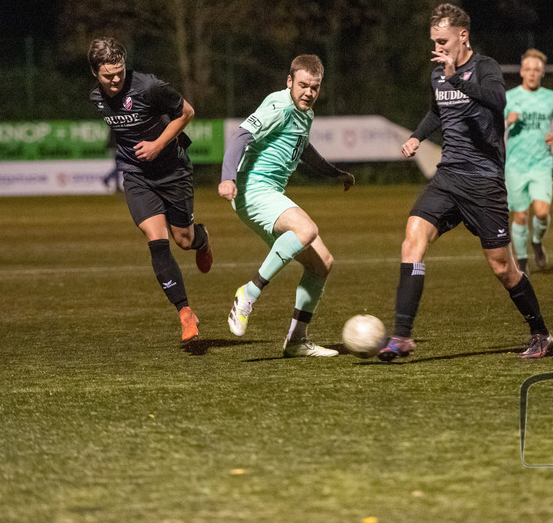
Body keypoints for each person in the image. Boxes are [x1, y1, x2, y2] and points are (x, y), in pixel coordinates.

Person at [380, 4, 553, 361]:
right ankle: (402, 336)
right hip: (448, 177)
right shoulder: (437, 74)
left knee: (502, 267)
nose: (438, 48)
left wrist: (457, 78)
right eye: (434, 41)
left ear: (463, 35)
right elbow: (436, 111)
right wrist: (417, 137)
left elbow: (499, 100)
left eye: (443, 41)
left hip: (484, 181)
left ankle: (540, 333)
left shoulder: (484, 67)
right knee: (412, 238)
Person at [219, 54, 354, 358]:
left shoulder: (305, 113)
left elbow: (302, 148)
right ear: (290, 81)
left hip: (271, 193)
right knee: (306, 229)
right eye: (303, 85)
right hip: (253, 189)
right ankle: (248, 293)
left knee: (321, 264)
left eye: (315, 87)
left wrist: (335, 173)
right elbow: (240, 137)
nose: (309, 92)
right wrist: (228, 178)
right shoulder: (279, 106)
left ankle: (297, 340)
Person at [87, 38, 211, 344]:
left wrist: (157, 145)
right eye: (108, 75)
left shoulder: (149, 87)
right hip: (136, 175)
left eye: (119, 72)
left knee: (184, 239)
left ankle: (203, 238)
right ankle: (185, 313)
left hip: (173, 171)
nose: (115, 80)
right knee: (157, 241)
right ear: (94, 73)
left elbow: (188, 113)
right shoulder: (96, 98)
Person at [505, 49, 553, 273]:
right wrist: (507, 121)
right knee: (520, 214)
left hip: (541, 164)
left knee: (542, 212)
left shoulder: (552, 97)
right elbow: (492, 125)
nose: (532, 73)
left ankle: (537, 241)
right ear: (522, 71)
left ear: (542, 73)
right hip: (515, 166)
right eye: (528, 69)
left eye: (537, 70)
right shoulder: (509, 97)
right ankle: (522, 261)